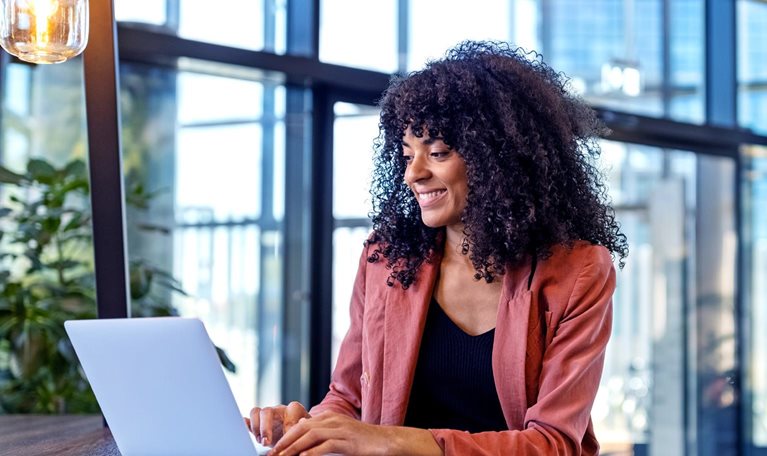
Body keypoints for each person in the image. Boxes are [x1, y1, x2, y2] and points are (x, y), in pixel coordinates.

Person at [246, 40, 628, 455]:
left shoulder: (578, 272)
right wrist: (306, 427)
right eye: (408, 154)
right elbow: (349, 401)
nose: (414, 173)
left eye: (438, 152)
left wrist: (395, 441)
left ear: (498, 158)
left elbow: (553, 443)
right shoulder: (386, 260)